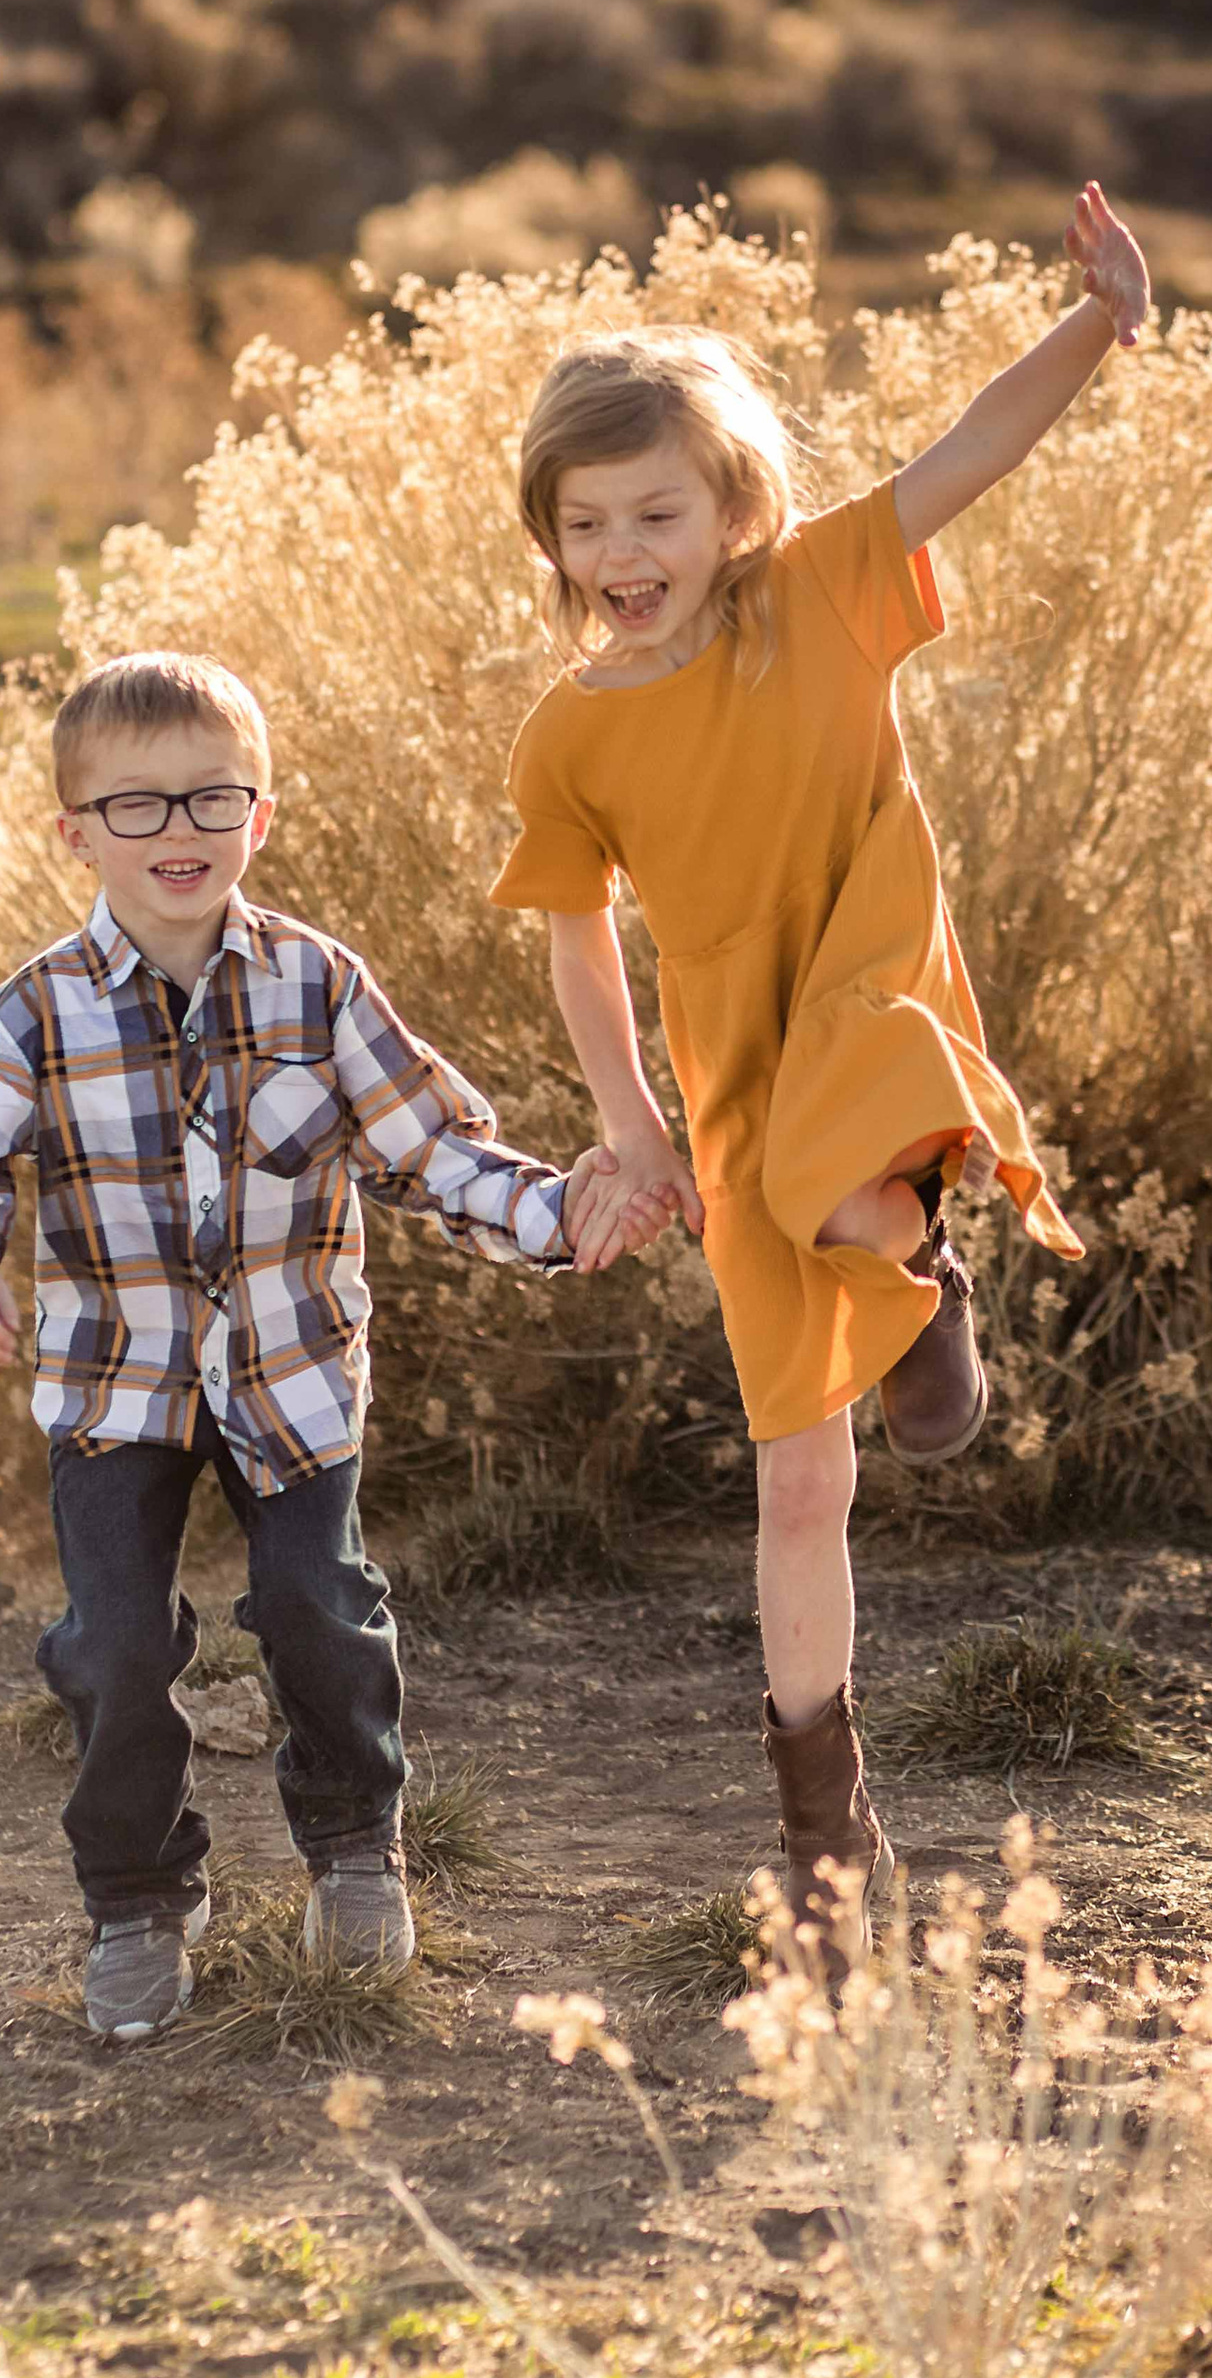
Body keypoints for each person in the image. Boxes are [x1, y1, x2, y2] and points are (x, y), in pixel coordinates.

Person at [490, 183, 1153, 1945]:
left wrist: (1099, 319)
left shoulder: (826, 589)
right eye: (588, 522)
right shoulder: (570, 732)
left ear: (731, 508)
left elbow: (968, 451)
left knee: (845, 1174)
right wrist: (633, 1134)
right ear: (550, 541)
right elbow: (576, 938)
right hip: (727, 1053)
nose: (625, 547)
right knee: (804, 1480)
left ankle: (910, 1258)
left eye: (659, 508)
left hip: (868, 963)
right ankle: (824, 1813)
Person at [0, 648, 638, 2046]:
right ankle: (135, 1898)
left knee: (319, 1607)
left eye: (211, 800)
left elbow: (434, 1154)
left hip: (292, 1376)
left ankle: (355, 1850)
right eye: (135, 807)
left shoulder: (319, 988)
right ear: (73, 833)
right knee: (114, 1643)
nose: (177, 832)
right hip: (115, 1387)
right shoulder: (35, 1012)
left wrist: (559, 1214)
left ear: (262, 814)